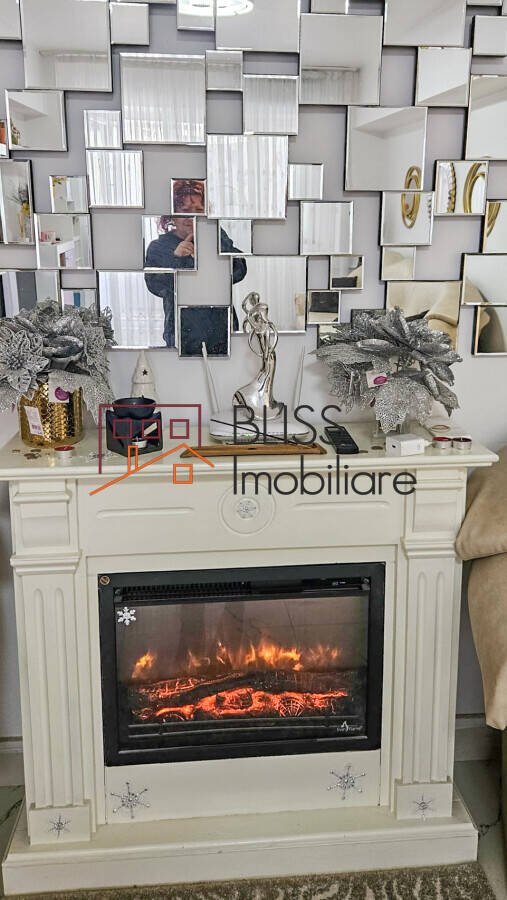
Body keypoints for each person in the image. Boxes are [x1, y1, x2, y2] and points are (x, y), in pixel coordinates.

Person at [144, 217, 195, 348]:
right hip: (180, 327)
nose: (190, 218)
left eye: (197, 210)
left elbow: (238, 271)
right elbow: (154, 284)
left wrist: (211, 255)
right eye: (184, 211)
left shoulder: (215, 239)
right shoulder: (159, 247)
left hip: (220, 323)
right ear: (172, 218)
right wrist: (176, 259)